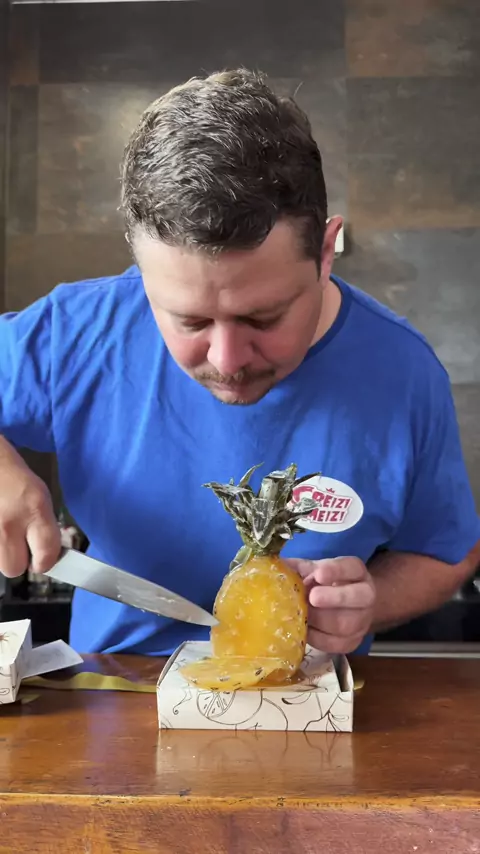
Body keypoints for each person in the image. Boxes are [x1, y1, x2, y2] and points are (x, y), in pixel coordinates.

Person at [0, 69, 479, 657]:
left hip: (307, 700)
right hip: (111, 695)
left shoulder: (405, 373)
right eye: (190, 322)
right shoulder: (75, 332)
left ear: (325, 253)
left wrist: (370, 602)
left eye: (263, 318)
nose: (226, 361)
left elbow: (447, 553)